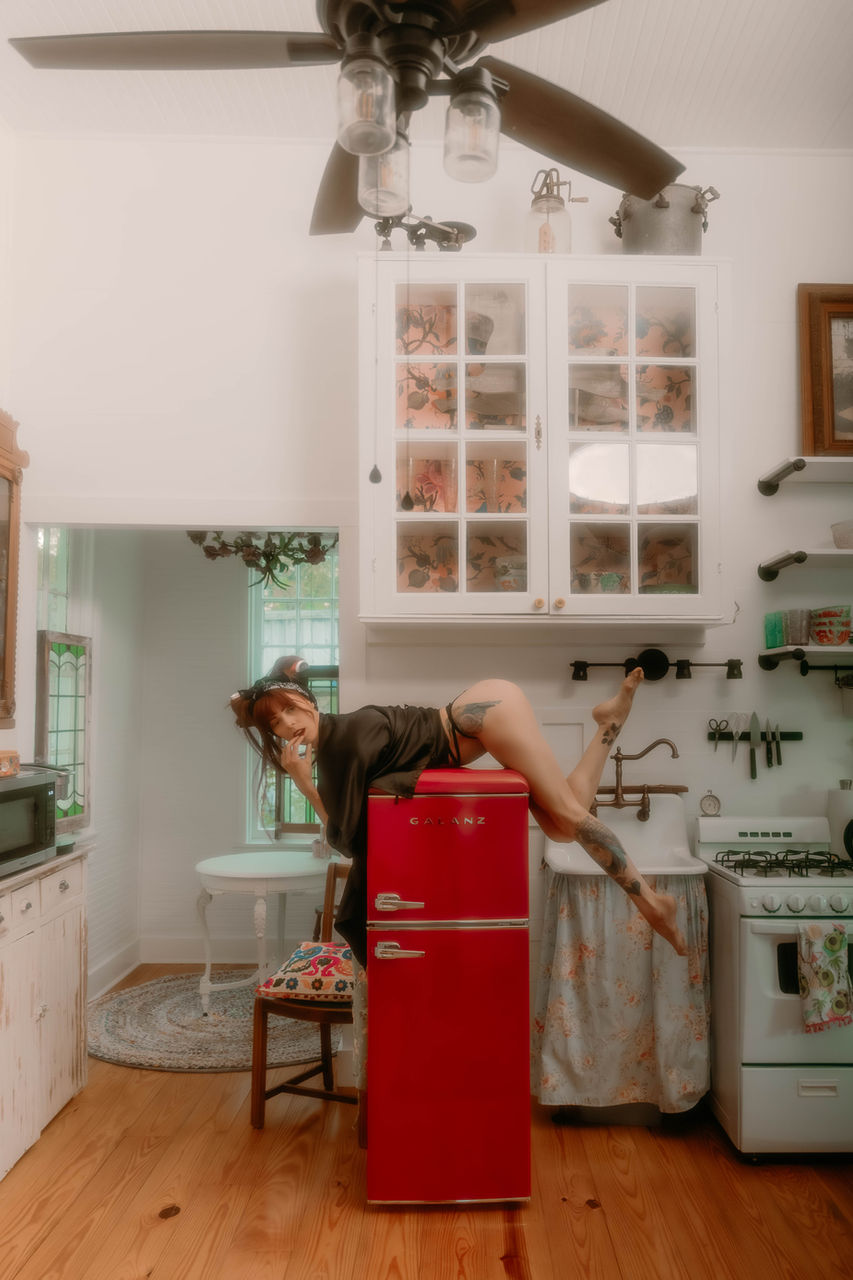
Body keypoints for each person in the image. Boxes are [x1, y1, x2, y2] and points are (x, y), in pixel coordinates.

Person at [230, 670, 687, 968]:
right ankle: (610, 723)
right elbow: (348, 832)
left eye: (290, 708)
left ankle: (650, 903)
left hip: (484, 712)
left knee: (566, 815)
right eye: (275, 724)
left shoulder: (342, 742)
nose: (287, 724)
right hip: (480, 719)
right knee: (560, 825)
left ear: (307, 701)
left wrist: (305, 783)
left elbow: (345, 836)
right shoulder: (331, 751)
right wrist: (305, 781)